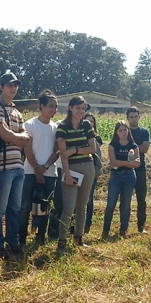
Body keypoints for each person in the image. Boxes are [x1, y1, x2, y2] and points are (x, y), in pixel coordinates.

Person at [0, 72, 31, 259]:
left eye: (15, 85)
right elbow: (5, 135)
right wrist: (18, 138)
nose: (13, 89)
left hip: (18, 166)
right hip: (3, 166)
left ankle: (13, 242)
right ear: (1, 87)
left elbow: (25, 140)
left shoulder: (16, 112)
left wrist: (15, 138)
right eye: (9, 85)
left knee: (14, 208)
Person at [55, 95, 97, 251]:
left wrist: (75, 150)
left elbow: (92, 148)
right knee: (68, 207)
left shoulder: (86, 125)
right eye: (78, 108)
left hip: (88, 167)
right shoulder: (62, 127)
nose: (81, 111)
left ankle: (78, 238)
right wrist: (67, 175)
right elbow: (63, 154)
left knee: (82, 205)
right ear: (70, 108)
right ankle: (62, 240)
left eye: (83, 108)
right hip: (70, 169)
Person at [19, 89, 59, 246]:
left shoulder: (55, 128)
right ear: (42, 106)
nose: (53, 110)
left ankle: (40, 237)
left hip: (49, 173)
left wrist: (46, 166)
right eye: (50, 106)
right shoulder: (30, 125)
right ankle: (21, 238)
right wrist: (37, 168)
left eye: (55, 107)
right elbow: (27, 149)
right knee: (25, 206)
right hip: (29, 172)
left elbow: (57, 150)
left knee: (45, 206)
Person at [101, 120, 140, 238]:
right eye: (120, 130)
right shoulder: (113, 145)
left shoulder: (133, 146)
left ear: (128, 131)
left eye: (125, 130)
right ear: (116, 132)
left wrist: (124, 163)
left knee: (126, 204)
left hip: (129, 176)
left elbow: (138, 163)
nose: (123, 132)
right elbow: (113, 162)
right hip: (116, 176)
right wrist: (128, 162)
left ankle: (123, 230)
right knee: (111, 203)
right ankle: (105, 230)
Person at [126, 106, 150, 233]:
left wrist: (129, 149)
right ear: (127, 118)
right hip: (126, 169)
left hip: (140, 169)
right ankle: (124, 225)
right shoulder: (124, 131)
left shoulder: (144, 132)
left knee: (141, 199)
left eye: (136, 116)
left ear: (139, 117)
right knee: (126, 199)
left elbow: (145, 148)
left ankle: (141, 226)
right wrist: (136, 148)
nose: (134, 119)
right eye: (131, 117)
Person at [83, 110, 103, 234]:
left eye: (92, 121)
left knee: (89, 199)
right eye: (87, 121)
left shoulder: (97, 138)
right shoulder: (78, 135)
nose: (89, 123)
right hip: (79, 170)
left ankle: (87, 225)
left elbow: (98, 156)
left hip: (92, 170)